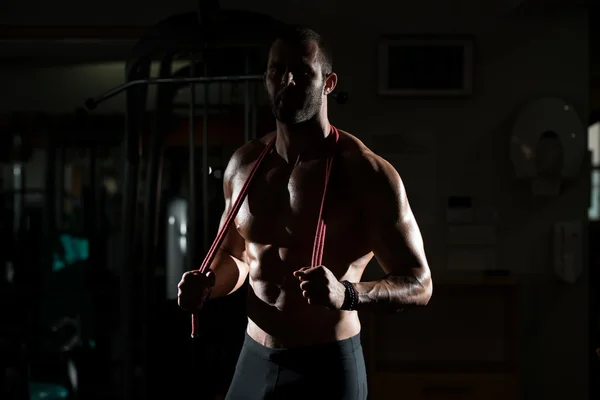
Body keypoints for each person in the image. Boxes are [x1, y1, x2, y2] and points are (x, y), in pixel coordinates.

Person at [178, 26, 433, 400]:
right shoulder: (244, 164)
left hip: (327, 365)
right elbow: (237, 256)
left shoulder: (367, 173)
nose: (288, 81)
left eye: (303, 71)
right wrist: (209, 285)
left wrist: (347, 294)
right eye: (277, 70)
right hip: (254, 357)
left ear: (328, 83)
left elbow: (419, 284)